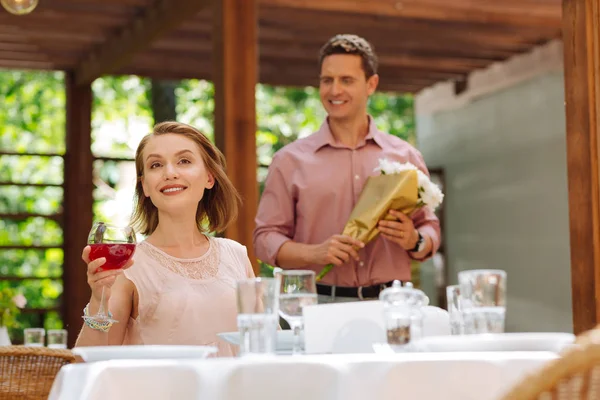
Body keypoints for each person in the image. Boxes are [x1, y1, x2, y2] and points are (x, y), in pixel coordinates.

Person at [253, 34, 441, 303]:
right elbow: (264, 239)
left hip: (393, 305)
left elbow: (430, 228)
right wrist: (315, 253)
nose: (334, 90)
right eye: (327, 80)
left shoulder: (405, 156)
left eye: (346, 80)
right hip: (317, 305)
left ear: (371, 84)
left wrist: (414, 240)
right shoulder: (290, 160)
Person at [75, 121, 255, 357]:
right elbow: (85, 363)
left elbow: (263, 343)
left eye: (184, 161)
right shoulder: (129, 267)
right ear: (145, 186)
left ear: (209, 178)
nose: (170, 173)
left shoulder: (237, 255)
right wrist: (99, 299)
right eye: (156, 165)